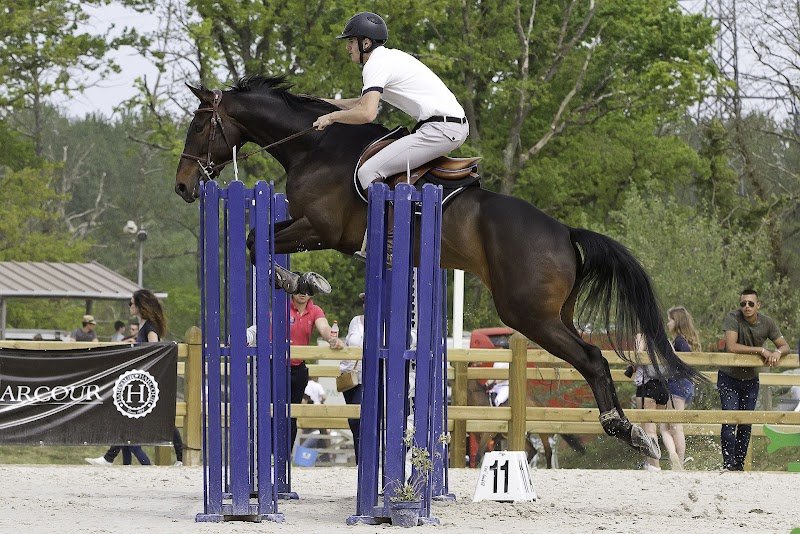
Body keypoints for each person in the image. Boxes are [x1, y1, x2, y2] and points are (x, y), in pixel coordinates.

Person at [313, 12, 469, 259]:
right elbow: (361, 102)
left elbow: (366, 113)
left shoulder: (375, 64)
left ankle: (389, 246)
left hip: (441, 129)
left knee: (367, 172)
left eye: (350, 41)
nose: (347, 47)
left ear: (366, 43)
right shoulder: (386, 60)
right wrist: (321, 104)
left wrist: (330, 117)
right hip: (447, 126)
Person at [86, 290, 184, 467]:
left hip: (150, 381)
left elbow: (155, 351)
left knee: (155, 419)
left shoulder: (150, 327)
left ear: (140, 306)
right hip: (145, 380)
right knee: (138, 417)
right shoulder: (144, 325)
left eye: (131, 303)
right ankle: (113, 458)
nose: (129, 307)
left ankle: (179, 458)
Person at [247, 291, 344, 453]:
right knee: (270, 411)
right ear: (291, 291)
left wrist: (331, 339)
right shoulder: (282, 306)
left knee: (291, 414)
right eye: (299, 290)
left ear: (311, 294)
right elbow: (264, 326)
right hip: (275, 366)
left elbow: (324, 327)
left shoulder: (315, 310)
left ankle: (284, 455)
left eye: (307, 291)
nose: (303, 294)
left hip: (298, 369)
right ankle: (265, 453)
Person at [719, 289, 789, 471]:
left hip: (750, 379)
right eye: (743, 303)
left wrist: (777, 352)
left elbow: (784, 345)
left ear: (758, 305)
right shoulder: (733, 317)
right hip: (728, 377)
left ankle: (739, 466)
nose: (747, 307)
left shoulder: (767, 322)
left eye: (751, 303)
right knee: (729, 421)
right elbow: (731, 347)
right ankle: (728, 464)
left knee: (746, 423)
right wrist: (760, 350)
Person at [659, 306, 701, 470]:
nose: (668, 323)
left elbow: (683, 363)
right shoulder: (686, 340)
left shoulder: (679, 342)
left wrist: (669, 351)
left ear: (677, 322)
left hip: (678, 384)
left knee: (672, 426)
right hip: (685, 386)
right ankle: (675, 457)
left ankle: (676, 459)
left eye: (670, 320)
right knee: (669, 426)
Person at [632, 333, 669, 471]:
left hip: (647, 385)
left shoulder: (642, 336)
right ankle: (650, 462)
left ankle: (654, 465)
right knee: (654, 427)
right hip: (663, 386)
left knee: (648, 429)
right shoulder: (664, 338)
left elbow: (638, 355)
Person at [340, 292, 366, 463]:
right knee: (354, 419)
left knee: (360, 419)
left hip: (372, 376)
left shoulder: (387, 324)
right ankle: (360, 459)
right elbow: (351, 344)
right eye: (365, 302)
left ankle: (365, 459)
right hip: (353, 374)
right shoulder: (356, 321)